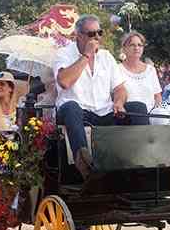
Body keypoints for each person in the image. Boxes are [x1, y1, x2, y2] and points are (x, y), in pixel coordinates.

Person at [54, 14, 133, 178]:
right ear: (78, 35)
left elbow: (120, 88)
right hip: (76, 113)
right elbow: (64, 82)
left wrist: (119, 102)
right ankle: (84, 165)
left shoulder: (106, 56)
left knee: (138, 107)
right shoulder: (64, 54)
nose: (97, 37)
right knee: (71, 107)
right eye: (91, 34)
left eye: (99, 32)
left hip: (104, 111)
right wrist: (86, 55)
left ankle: (140, 163)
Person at [119, 31, 162, 115]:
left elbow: (158, 96)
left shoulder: (150, 70)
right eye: (132, 45)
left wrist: (158, 112)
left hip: (152, 115)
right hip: (129, 116)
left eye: (139, 45)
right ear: (124, 48)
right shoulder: (117, 70)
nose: (136, 48)